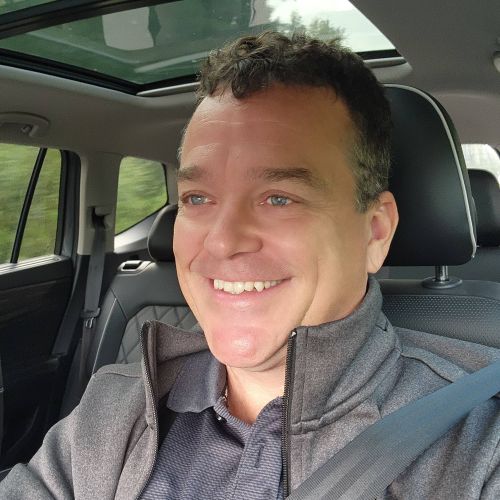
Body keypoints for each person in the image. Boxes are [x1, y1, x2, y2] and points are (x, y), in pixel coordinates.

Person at [1, 31, 500, 500]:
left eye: (279, 198)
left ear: (374, 232)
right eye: (197, 198)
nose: (222, 242)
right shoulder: (112, 409)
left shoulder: (474, 448)